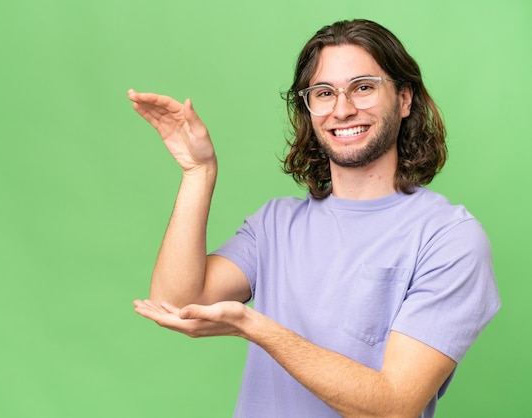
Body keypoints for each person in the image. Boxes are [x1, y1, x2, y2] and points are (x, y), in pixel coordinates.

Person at [129, 19, 500, 418]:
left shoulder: (449, 238)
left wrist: (257, 328)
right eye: (324, 93)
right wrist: (197, 173)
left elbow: (395, 406)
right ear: (309, 109)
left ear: (404, 98)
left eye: (363, 87)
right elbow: (173, 303)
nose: (342, 109)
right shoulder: (274, 225)